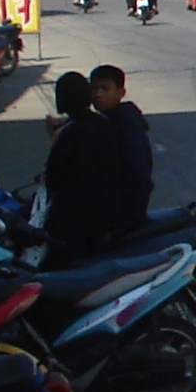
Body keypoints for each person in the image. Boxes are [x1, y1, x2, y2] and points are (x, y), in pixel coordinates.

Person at [40, 71, 131, 260]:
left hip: (73, 222)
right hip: (104, 217)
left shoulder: (67, 134)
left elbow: (53, 180)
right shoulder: (105, 124)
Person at [88, 65, 153, 225]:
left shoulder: (125, 124)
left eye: (105, 88)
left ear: (121, 93)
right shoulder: (105, 121)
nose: (98, 94)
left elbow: (137, 173)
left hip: (122, 215)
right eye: (94, 88)